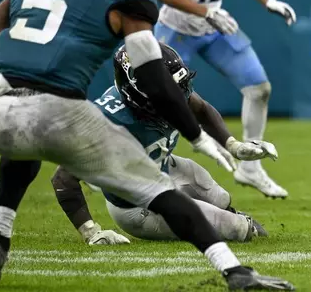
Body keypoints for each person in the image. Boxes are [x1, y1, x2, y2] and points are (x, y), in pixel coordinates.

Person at [0, 0, 293, 289]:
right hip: (61, 110)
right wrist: (196, 137)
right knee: (161, 193)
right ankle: (236, 273)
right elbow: (154, 78)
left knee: (22, 136)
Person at [52, 44, 274, 245]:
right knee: (237, 228)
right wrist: (90, 232)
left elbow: (202, 109)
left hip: (161, 166)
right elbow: (63, 178)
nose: (177, 99)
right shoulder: (108, 123)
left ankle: (233, 216)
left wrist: (233, 145)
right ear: (136, 94)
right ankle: (238, 224)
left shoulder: (167, 92)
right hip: (137, 207)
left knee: (219, 197)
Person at [154, 0, 297, 199]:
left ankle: (251, 169)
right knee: (155, 101)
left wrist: (266, 0)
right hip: (177, 29)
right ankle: (126, 161)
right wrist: (205, 11)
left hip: (214, 27)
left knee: (259, 89)